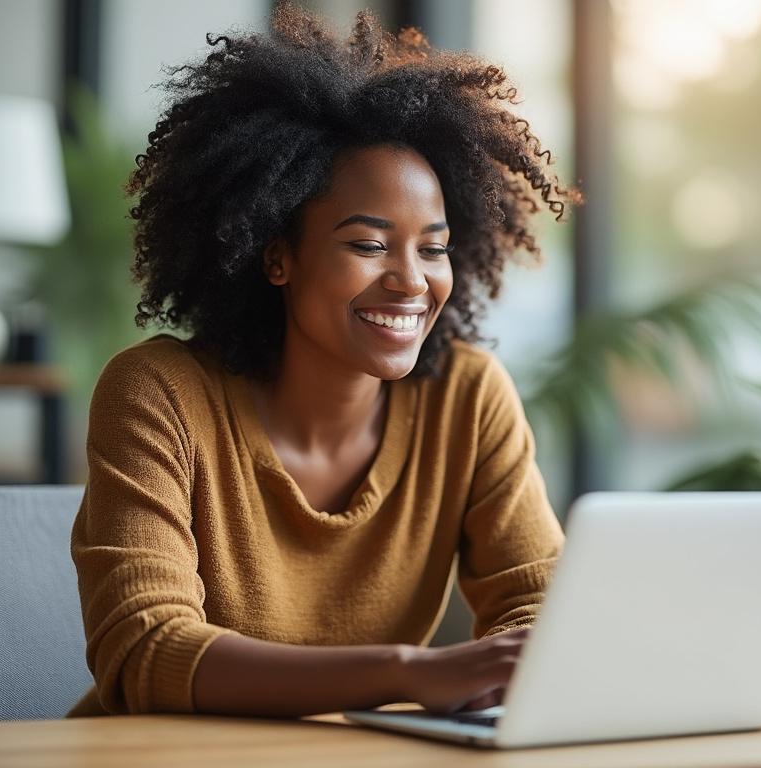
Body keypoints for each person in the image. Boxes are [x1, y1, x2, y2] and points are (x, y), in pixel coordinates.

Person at [68, 3, 579, 719]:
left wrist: (520, 664)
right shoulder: (160, 395)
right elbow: (145, 650)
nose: (411, 280)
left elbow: (537, 600)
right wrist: (408, 673)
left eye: (432, 248)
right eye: (369, 245)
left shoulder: (465, 396)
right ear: (277, 256)